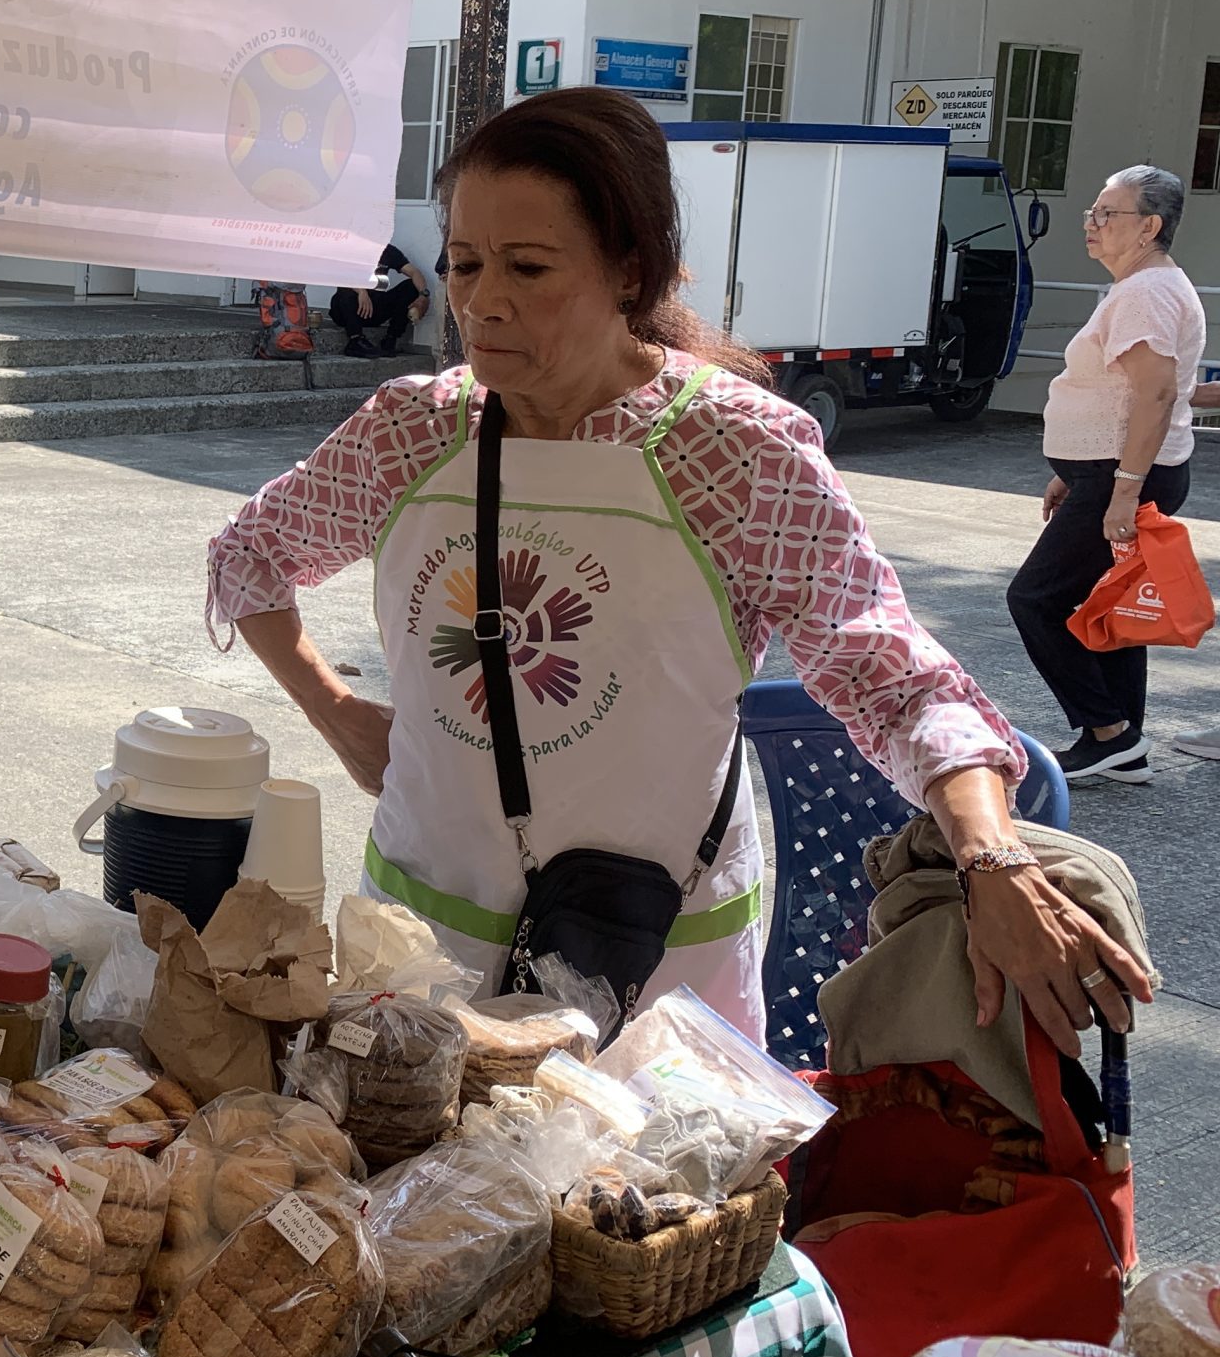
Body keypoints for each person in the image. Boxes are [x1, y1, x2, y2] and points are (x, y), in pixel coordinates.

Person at [208, 88, 1150, 1057]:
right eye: (462, 262)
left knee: (638, 1204)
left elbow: (893, 677)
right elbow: (248, 556)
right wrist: (337, 712)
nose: (483, 300)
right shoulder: (409, 433)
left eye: (528, 267)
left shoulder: (736, 451)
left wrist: (990, 857)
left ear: (628, 271)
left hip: (653, 973)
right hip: (417, 946)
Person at [1008, 165, 1204, 784]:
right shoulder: (1146, 285)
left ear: (1149, 226)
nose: (1090, 224)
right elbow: (1120, 393)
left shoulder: (1146, 292)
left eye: (1106, 214)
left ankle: (1107, 731)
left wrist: (1119, 487)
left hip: (1124, 477)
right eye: (1091, 212)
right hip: (1109, 473)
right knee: (1110, 603)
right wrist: (1074, 470)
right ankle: (1124, 741)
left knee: (1036, 599)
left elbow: (1155, 394)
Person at [327, 241, 431, 356]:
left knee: (411, 287)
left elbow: (414, 272)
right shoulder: (350, 248)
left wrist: (423, 295)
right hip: (346, 312)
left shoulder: (388, 251)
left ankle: (390, 339)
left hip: (372, 310)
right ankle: (355, 340)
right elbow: (340, 274)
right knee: (345, 289)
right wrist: (361, 291)